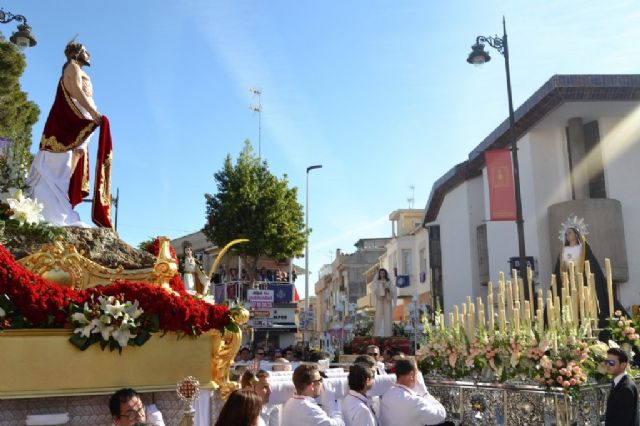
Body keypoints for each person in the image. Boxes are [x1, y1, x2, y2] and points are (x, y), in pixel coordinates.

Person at [27, 40, 113, 227]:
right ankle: (51, 207)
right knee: (61, 161)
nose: (88, 54)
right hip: (69, 122)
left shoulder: (79, 70)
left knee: (76, 156)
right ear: (76, 53)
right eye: (85, 51)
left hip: (80, 120)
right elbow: (76, 91)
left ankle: (62, 201)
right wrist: (93, 112)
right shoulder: (72, 67)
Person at [553, 218, 627, 326]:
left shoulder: (582, 249)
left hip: (582, 282)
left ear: (576, 234)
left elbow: (591, 265)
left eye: (570, 233)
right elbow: (562, 268)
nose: (567, 236)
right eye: (566, 234)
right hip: (569, 283)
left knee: (585, 305)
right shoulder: (565, 250)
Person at [379, 359, 446, 426]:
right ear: (411, 375)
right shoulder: (415, 402)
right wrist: (425, 394)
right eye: (417, 373)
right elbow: (441, 415)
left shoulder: (386, 394)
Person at [605, 347, 639, 426]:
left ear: (623, 365)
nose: (607, 365)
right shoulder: (620, 383)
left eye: (611, 362)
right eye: (606, 362)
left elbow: (623, 421)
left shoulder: (626, 388)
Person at [371, 269, 396, 336]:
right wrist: (380, 290)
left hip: (387, 301)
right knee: (379, 316)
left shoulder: (389, 282)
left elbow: (393, 292)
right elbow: (374, 291)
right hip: (380, 301)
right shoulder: (376, 282)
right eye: (381, 273)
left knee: (387, 316)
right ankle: (378, 334)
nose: (382, 274)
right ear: (379, 274)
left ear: (385, 274)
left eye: (383, 273)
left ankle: (388, 334)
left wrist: (387, 289)